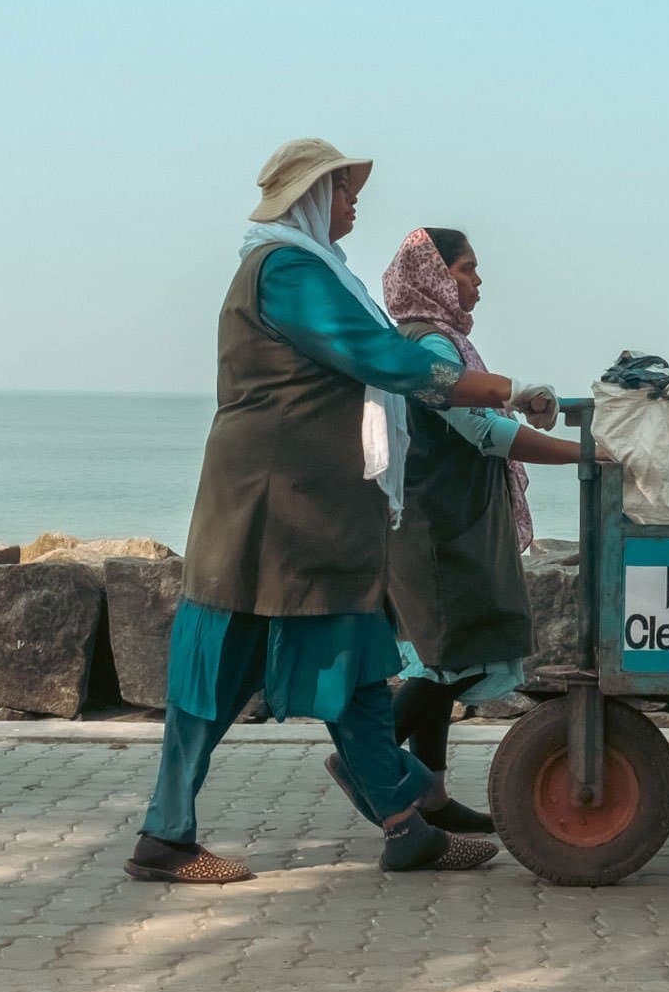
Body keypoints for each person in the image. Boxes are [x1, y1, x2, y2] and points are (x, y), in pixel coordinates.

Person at [126, 138, 564, 884]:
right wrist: (483, 387)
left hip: (313, 513)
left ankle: (403, 825)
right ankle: (165, 837)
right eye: (343, 188)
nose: (355, 200)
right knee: (215, 677)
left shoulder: (313, 268)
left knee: (355, 665)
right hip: (267, 512)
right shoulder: (287, 269)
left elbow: (372, 358)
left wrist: (488, 389)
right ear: (308, 197)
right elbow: (369, 352)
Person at [364, 227, 586, 831]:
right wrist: (586, 453)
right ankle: (368, 760)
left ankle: (431, 795)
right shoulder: (433, 345)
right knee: (454, 657)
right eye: (467, 269)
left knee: (436, 661)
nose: (478, 281)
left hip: (433, 520)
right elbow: (484, 432)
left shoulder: (413, 338)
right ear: (435, 276)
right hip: (442, 528)